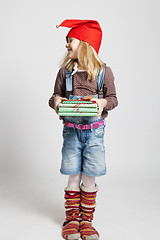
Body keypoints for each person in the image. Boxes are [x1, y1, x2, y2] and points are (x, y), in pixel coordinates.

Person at [49, 19, 118, 240]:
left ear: (85, 43)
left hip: (94, 134)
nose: (66, 45)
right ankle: (72, 219)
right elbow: (53, 97)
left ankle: (87, 221)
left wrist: (103, 104)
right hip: (71, 133)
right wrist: (57, 101)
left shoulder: (103, 72)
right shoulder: (65, 72)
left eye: (70, 41)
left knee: (89, 179)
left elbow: (113, 99)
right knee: (72, 177)